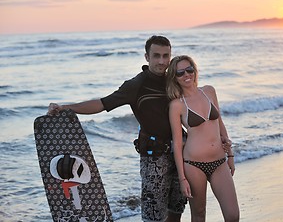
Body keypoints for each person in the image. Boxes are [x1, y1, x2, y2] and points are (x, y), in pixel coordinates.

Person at [47, 35, 187, 222]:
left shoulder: (175, 80)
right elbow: (102, 104)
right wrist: (67, 107)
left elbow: (195, 106)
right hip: (155, 157)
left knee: (176, 209)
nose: (161, 61)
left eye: (165, 56)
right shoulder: (135, 85)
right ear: (147, 57)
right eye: (156, 56)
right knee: (154, 217)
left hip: (183, 152)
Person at [166, 55, 239, 222]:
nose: (186, 75)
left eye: (189, 70)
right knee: (199, 216)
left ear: (194, 70)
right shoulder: (177, 105)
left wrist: (231, 156)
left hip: (219, 162)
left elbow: (220, 123)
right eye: (180, 73)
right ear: (174, 78)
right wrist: (182, 178)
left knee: (233, 216)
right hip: (193, 166)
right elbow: (177, 144)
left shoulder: (209, 91)